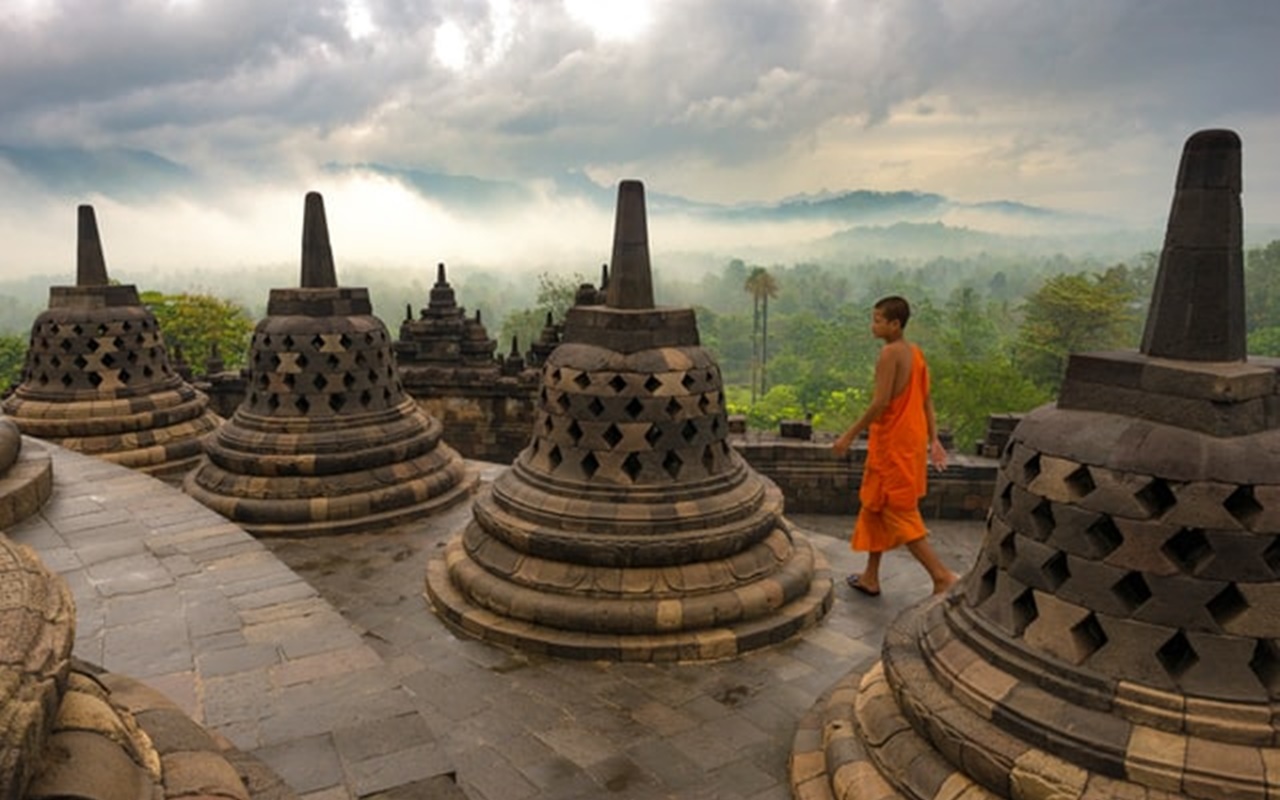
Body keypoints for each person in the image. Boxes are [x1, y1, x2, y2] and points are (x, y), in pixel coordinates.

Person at [832, 296, 956, 597]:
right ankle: (870, 576)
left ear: (894, 324)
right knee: (874, 505)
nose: (873, 325)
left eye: (878, 320)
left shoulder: (890, 354)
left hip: (894, 443)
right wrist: (933, 439)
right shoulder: (915, 353)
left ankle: (941, 576)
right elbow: (925, 400)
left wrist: (849, 434)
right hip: (908, 439)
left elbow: (881, 402)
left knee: (899, 511)